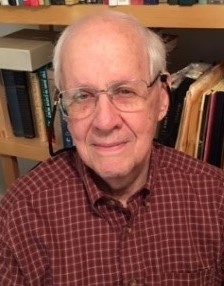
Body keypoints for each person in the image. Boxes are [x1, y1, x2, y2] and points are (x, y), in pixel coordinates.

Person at [0, 10, 224, 286]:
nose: (105, 122)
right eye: (82, 96)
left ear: (162, 99)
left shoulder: (216, 200)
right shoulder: (19, 216)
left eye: (125, 91)